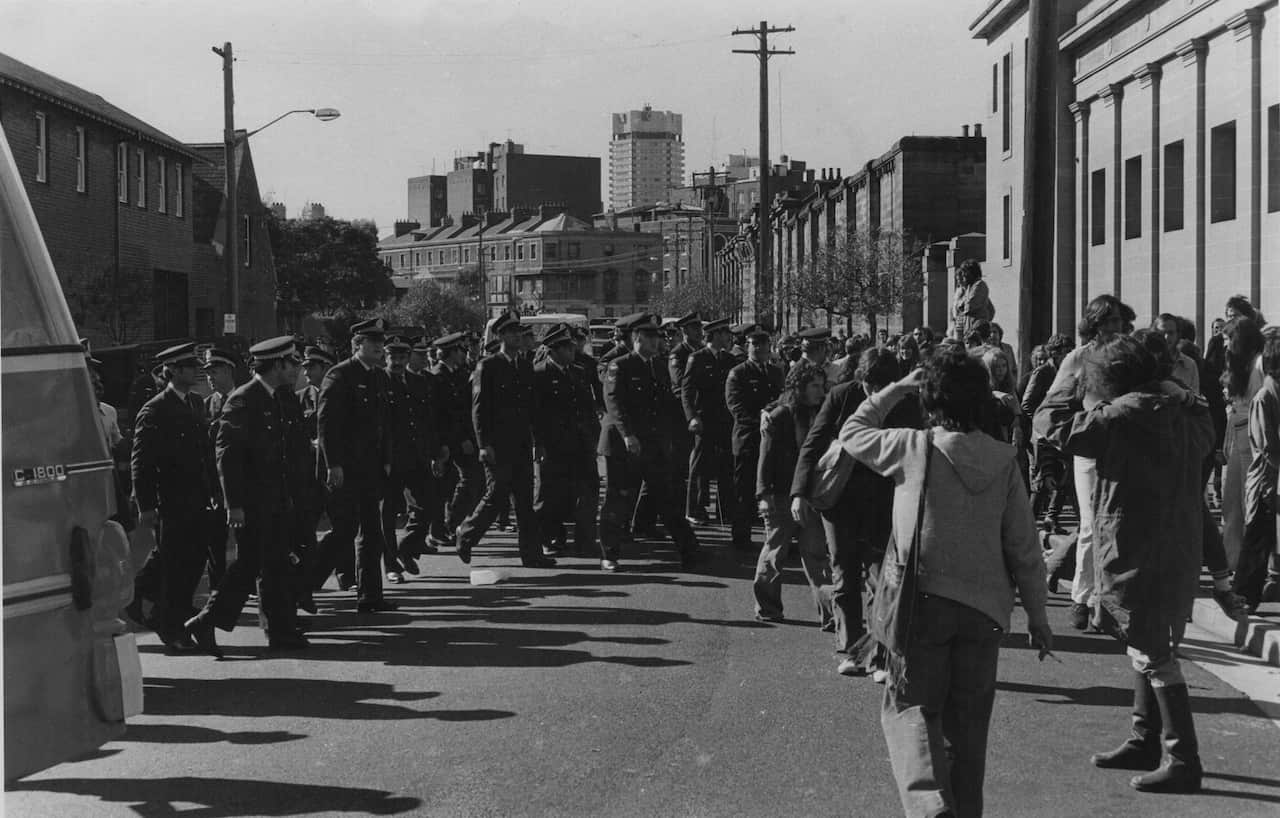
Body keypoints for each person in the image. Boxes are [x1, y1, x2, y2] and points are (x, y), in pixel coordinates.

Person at [840, 349, 1051, 817]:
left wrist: (895, 387)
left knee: (910, 709)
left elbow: (851, 434)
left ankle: (930, 804)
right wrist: (1037, 614)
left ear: (931, 399)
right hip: (985, 610)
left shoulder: (913, 447)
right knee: (969, 732)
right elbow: (1024, 546)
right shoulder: (1004, 460)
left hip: (923, 604)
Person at [1037, 334, 1213, 794]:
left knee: (1154, 653)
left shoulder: (1118, 415)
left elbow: (1050, 425)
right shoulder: (1183, 413)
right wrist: (1185, 393)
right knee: (1145, 643)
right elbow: (1206, 420)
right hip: (1175, 546)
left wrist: (1068, 374)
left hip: (1135, 546)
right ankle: (1144, 737)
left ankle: (1183, 757)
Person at [793, 347, 923, 677]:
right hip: (840, 499)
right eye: (868, 387)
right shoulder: (839, 395)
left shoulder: (907, 403)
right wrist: (799, 492)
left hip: (884, 501)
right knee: (844, 573)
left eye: (881, 388)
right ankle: (850, 650)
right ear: (860, 379)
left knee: (881, 579)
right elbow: (814, 441)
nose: (873, 395)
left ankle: (880, 656)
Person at [184, 337, 308, 654]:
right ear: (277, 364)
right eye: (291, 362)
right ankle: (206, 620)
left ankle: (279, 631)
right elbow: (227, 457)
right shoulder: (243, 400)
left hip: (277, 499)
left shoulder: (279, 397)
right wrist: (234, 505)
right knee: (249, 565)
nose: (295, 368)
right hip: (252, 502)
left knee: (275, 566)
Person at [1033, 294, 1135, 631]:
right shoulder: (1078, 358)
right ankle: (1082, 597)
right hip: (1090, 448)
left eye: (1117, 321)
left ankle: (1105, 600)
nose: (1113, 327)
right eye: (1106, 321)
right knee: (1092, 524)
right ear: (1093, 324)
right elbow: (1052, 405)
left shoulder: (1130, 355)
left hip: (1123, 448)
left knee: (1117, 526)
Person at [127, 343, 219, 651]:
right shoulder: (155, 409)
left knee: (192, 563)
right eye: (190, 367)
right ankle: (171, 627)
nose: (197, 372)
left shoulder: (195, 402)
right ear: (174, 371)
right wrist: (146, 506)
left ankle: (146, 596)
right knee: (178, 565)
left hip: (198, 498)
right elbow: (142, 461)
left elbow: (204, 454)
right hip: (171, 500)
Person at [598, 312, 702, 571]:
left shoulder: (658, 366)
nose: (657, 342)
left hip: (651, 443)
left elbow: (665, 404)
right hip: (623, 444)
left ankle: (690, 551)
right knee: (617, 499)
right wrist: (627, 435)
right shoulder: (619, 365)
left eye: (658, 337)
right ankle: (609, 553)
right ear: (636, 338)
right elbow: (615, 404)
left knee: (666, 497)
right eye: (650, 337)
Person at [456, 311, 551, 568]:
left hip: (520, 443)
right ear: (499, 336)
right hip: (496, 445)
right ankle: (466, 533)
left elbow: (533, 409)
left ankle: (531, 555)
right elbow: (478, 409)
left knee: (524, 500)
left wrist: (538, 441)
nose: (517, 336)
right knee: (497, 494)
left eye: (519, 332)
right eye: (511, 332)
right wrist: (483, 444)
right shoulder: (487, 366)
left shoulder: (523, 366)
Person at [317, 318, 397, 612]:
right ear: (357, 345)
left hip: (371, 467)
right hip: (344, 469)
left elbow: (384, 424)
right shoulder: (340, 375)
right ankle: (305, 583)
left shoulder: (378, 376)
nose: (379, 347)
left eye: (380, 341)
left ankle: (370, 596)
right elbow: (327, 426)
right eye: (372, 341)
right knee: (343, 532)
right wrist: (332, 463)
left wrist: (387, 460)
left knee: (371, 533)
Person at [753, 362, 832, 626]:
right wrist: (763, 495)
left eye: (822, 386)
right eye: (814, 386)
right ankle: (768, 607)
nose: (820, 392)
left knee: (817, 555)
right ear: (799, 387)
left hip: (812, 495)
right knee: (774, 553)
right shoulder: (780, 416)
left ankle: (830, 614)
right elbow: (766, 459)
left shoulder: (823, 414)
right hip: (781, 495)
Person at [381, 336, 447, 583]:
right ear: (385, 358)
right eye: (392, 357)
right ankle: (391, 566)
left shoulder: (419, 382)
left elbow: (428, 421)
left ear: (408, 358)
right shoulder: (379, 382)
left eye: (401, 357)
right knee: (386, 516)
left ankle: (406, 549)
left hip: (417, 457)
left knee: (427, 506)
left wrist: (437, 452)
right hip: (389, 460)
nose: (397, 361)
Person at [532, 325, 601, 559]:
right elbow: (535, 414)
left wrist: (593, 436)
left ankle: (585, 539)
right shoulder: (539, 374)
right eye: (568, 347)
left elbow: (588, 408)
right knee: (550, 494)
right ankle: (550, 538)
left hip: (580, 442)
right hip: (553, 445)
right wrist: (538, 443)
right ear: (554, 350)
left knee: (586, 490)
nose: (574, 350)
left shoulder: (578, 372)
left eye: (573, 346)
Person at [726, 325, 784, 552]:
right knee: (743, 490)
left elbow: (782, 399)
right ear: (748, 346)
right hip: (749, 437)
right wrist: (760, 419)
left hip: (772, 439)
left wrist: (773, 416)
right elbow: (736, 406)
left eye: (764, 345)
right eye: (754, 344)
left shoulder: (775, 372)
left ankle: (777, 538)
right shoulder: (738, 373)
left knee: (773, 490)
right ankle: (741, 537)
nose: (759, 349)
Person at [1234, 330, 1280, 610]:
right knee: (1257, 539)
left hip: (1273, 477)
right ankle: (1244, 595)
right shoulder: (1265, 395)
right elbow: (1267, 446)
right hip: (1266, 479)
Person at [682, 318, 737, 526]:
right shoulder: (696, 358)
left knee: (726, 465)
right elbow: (687, 392)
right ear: (714, 335)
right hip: (704, 419)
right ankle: (695, 509)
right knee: (699, 465)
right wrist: (692, 417)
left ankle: (725, 510)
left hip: (725, 420)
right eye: (724, 334)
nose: (728, 338)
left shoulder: (729, 360)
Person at [1022, 334, 1074, 533]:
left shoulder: (1068, 371)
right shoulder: (1043, 372)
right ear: (1056, 353)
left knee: (1065, 474)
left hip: (1062, 430)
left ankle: (1052, 517)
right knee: (1043, 480)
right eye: (1065, 352)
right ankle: (1028, 524)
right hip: (1043, 433)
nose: (1069, 355)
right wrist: (1044, 419)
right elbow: (1027, 403)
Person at [951, 258, 994, 342]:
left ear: (970, 272)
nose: (963, 277)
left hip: (978, 332)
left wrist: (960, 303)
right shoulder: (969, 287)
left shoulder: (979, 285)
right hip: (968, 331)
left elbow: (969, 306)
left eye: (964, 273)